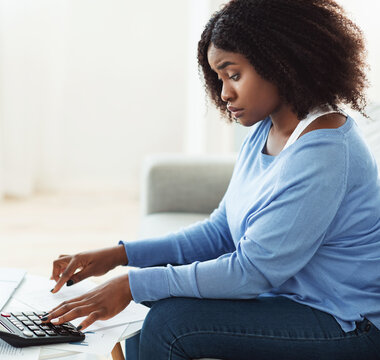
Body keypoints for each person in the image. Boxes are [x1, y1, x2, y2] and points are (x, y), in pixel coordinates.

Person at [41, 0, 380, 358]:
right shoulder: (269, 128)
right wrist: (120, 255)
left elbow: (251, 272)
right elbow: (221, 231)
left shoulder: (324, 153)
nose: (224, 94)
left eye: (234, 75)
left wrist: (133, 284)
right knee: (149, 318)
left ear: (282, 62)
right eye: (219, 78)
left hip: (347, 323)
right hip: (294, 302)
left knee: (170, 322)